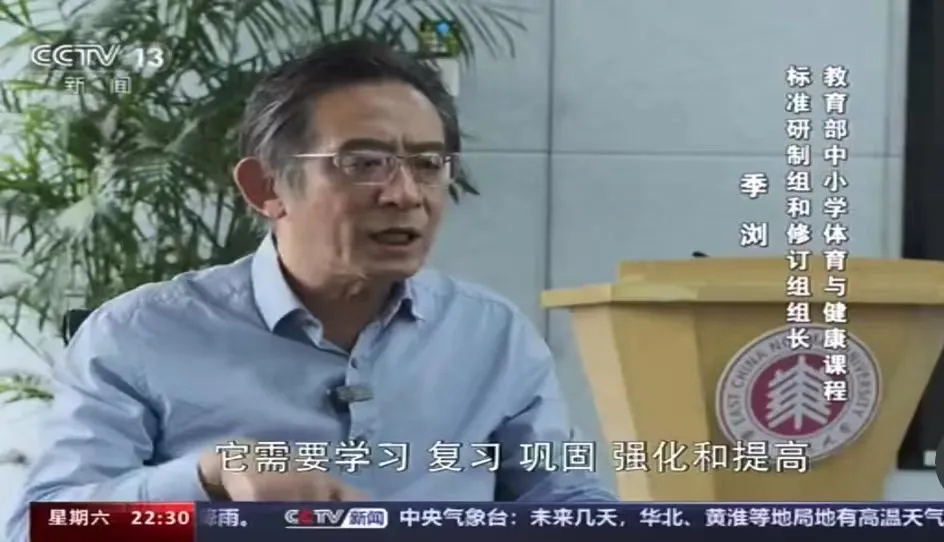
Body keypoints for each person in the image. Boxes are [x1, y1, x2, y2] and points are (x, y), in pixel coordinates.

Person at [5, 37, 615, 541]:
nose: (405, 194)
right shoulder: (139, 334)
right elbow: (42, 527)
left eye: (428, 164)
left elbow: (565, 499)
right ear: (266, 187)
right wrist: (208, 478)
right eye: (364, 163)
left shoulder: (491, 333)